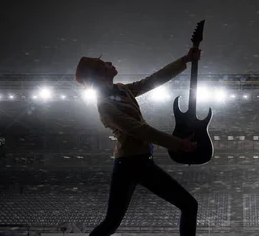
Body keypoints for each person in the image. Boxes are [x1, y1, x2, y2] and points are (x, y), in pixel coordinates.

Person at [74, 47, 201, 236]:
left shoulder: (122, 89)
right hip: (133, 163)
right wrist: (178, 143)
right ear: (99, 77)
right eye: (104, 65)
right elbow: (139, 130)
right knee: (189, 205)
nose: (109, 63)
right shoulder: (105, 106)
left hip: (133, 163)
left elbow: (151, 82)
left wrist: (184, 60)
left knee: (111, 222)